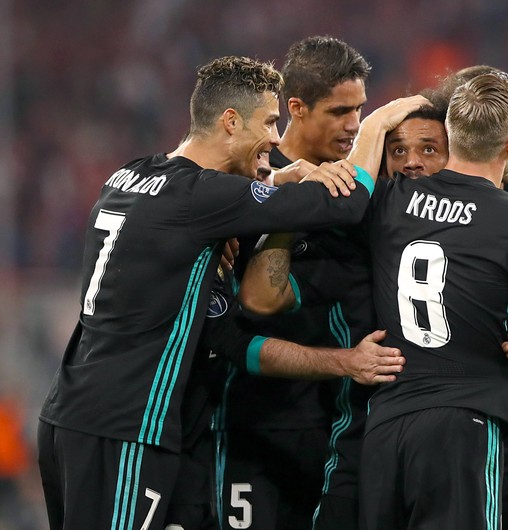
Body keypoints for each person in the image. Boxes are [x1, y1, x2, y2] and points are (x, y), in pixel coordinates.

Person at [36, 55, 402, 530]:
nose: (276, 136)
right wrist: (377, 126)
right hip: (128, 427)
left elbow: (228, 337)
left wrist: (273, 181)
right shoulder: (203, 198)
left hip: (68, 416)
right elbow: (347, 204)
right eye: (270, 122)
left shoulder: (132, 174)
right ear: (231, 122)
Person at [358, 72, 508, 530]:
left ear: (450, 132)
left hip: (385, 429)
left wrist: (376, 124)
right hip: (469, 427)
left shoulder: (387, 200)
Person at [215, 35, 373, 530]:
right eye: (340, 111)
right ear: (297, 108)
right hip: (252, 424)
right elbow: (252, 305)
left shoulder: (362, 181)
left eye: (363, 110)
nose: (354, 125)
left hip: (340, 429)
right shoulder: (253, 178)